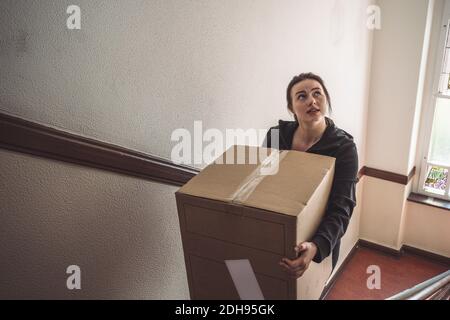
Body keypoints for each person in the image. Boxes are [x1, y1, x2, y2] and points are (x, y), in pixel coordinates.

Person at [262, 72, 359, 279]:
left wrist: (316, 246)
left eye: (317, 94)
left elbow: (342, 207)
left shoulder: (344, 147)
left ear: (326, 100)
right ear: (291, 108)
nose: (312, 100)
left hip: (319, 240)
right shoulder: (276, 135)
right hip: (279, 232)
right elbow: (261, 184)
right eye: (302, 96)